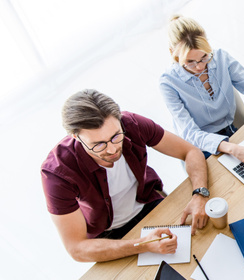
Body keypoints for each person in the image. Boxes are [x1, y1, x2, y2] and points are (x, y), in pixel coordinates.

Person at [41, 89, 210, 263]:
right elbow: (77, 249)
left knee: (202, 247)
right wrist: (143, 245)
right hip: (109, 234)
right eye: (98, 145)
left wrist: (200, 193)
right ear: (75, 137)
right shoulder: (57, 173)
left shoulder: (131, 123)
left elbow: (190, 151)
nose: (112, 149)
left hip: (149, 202)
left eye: (116, 136)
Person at [160, 15, 244, 168]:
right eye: (190, 62)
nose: (200, 67)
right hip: (202, 147)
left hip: (231, 132)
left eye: (204, 56)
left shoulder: (220, 57)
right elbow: (190, 134)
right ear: (173, 53)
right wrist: (232, 148)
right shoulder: (168, 83)